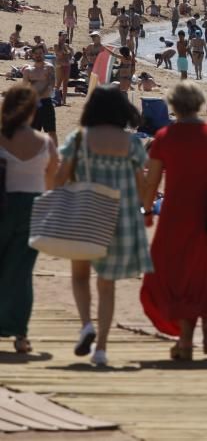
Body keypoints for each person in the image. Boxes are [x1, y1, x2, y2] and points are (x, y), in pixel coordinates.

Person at [140, 82, 207, 362]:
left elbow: (152, 180)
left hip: (176, 215)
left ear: (173, 105)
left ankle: (185, 342)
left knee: (172, 275)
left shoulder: (165, 137)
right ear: (199, 103)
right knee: (201, 271)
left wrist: (147, 210)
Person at [54, 86, 150, 366]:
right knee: (107, 286)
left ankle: (86, 325)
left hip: (85, 215)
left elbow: (59, 178)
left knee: (80, 276)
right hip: (119, 219)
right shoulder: (132, 144)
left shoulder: (80, 139)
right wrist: (144, 209)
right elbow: (142, 185)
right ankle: (102, 350)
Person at [0, 85, 58, 355]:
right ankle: (20, 335)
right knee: (21, 273)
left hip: (3, 204)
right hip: (33, 208)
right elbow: (51, 181)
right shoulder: (44, 142)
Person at [22, 45, 57, 144]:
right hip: (33, 104)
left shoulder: (49, 68)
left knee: (51, 131)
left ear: (44, 54)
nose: (38, 55)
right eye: (36, 53)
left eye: (40, 53)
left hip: (46, 102)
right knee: (32, 131)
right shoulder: (28, 70)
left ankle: (55, 157)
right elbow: (24, 88)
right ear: (32, 55)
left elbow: (51, 85)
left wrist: (38, 94)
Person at [54, 31, 73, 104]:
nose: (64, 37)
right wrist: (66, 50)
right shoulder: (56, 45)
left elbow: (71, 55)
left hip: (67, 65)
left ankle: (64, 100)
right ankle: (55, 98)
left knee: (65, 83)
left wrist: (69, 52)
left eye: (65, 36)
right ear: (59, 36)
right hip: (60, 65)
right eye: (63, 36)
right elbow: (60, 53)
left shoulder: (66, 45)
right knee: (58, 83)